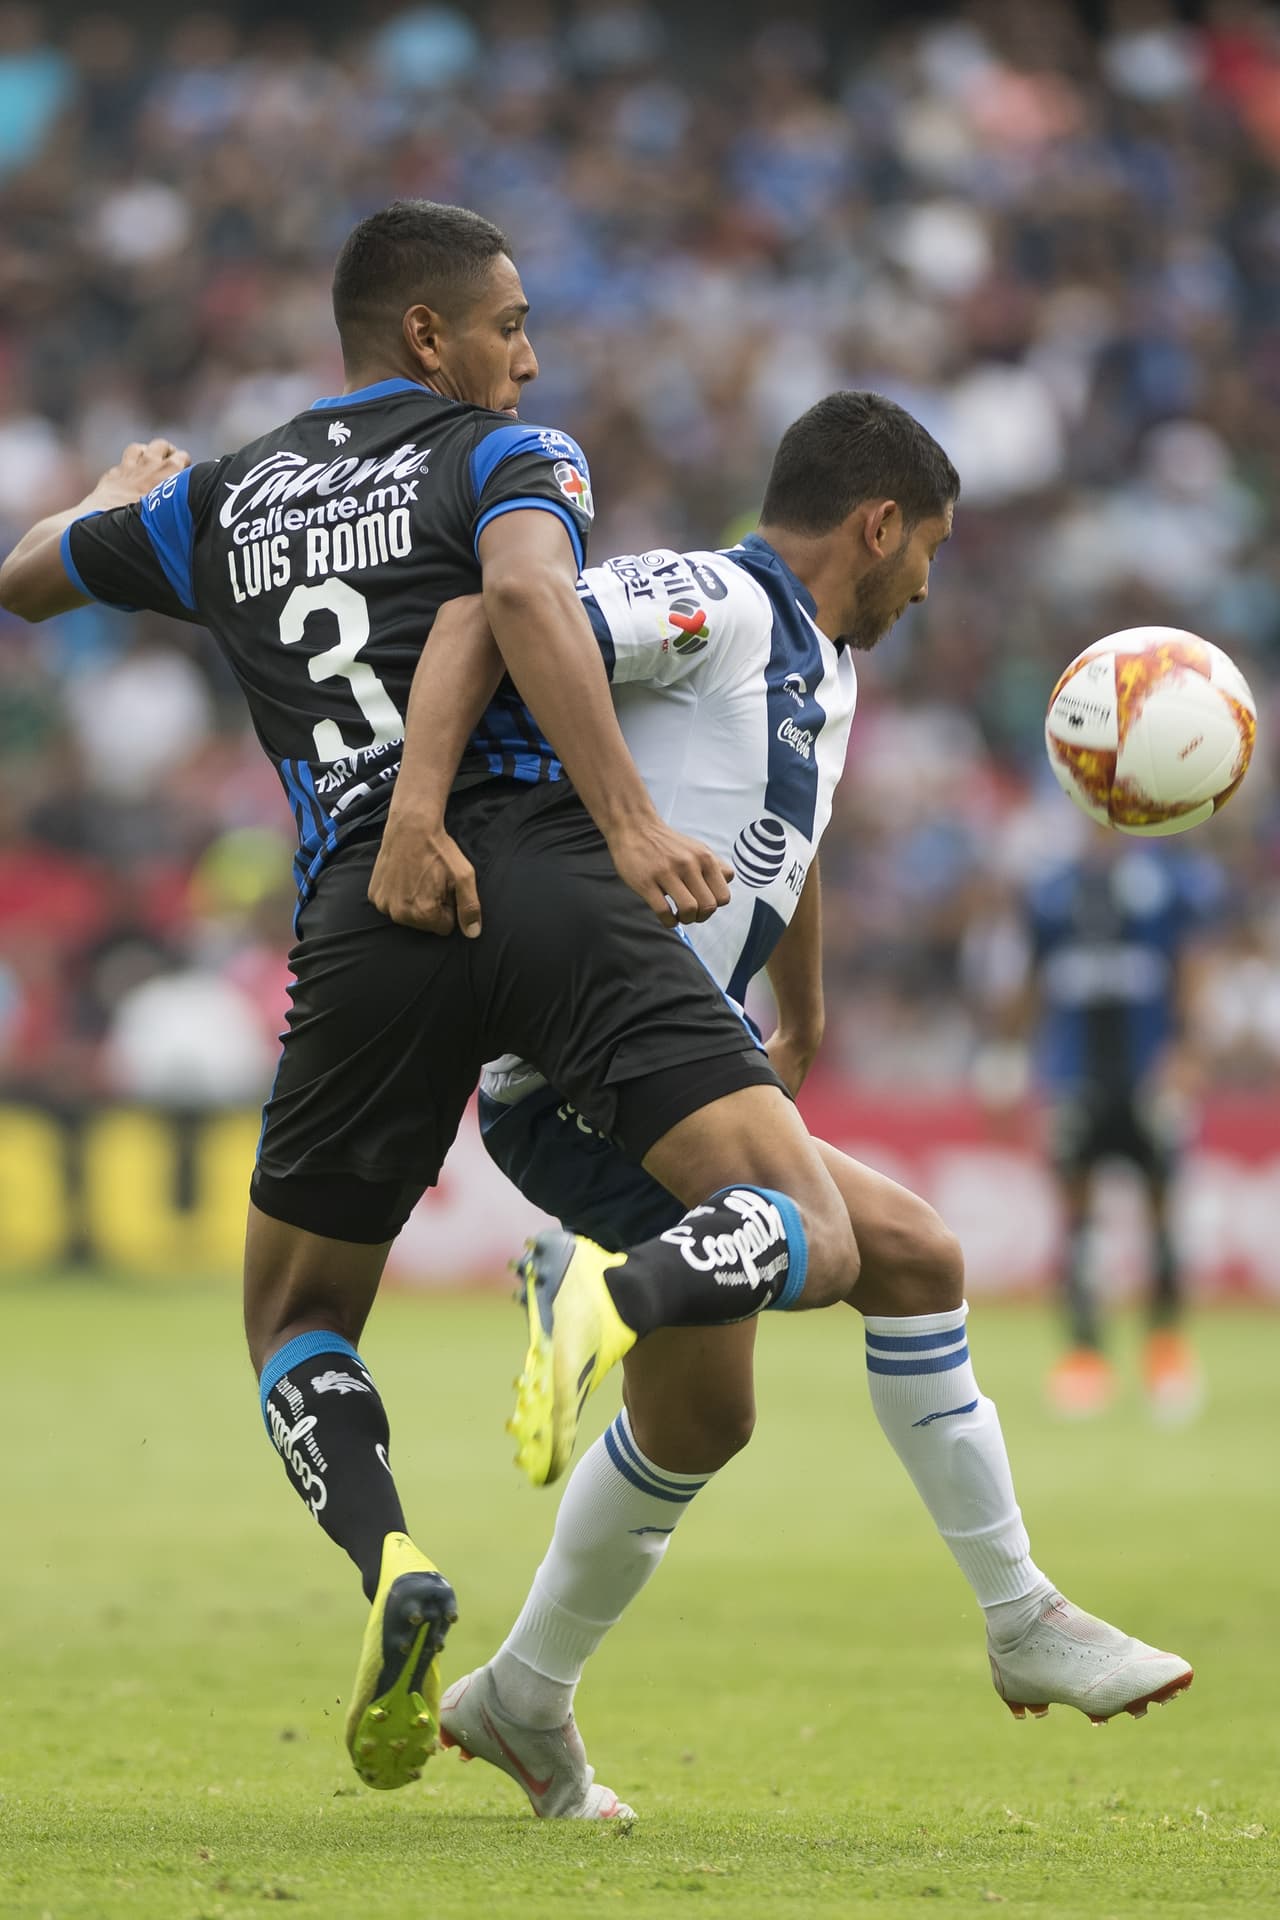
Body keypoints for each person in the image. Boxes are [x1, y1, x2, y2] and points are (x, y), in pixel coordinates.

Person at [0, 201, 937, 1800]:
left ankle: (388, 1569)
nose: (532, 350)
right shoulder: (515, 458)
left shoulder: (220, 500)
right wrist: (632, 823)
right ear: (428, 337)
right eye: (508, 321)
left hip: (363, 919)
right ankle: (620, 1284)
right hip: (550, 889)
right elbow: (515, 601)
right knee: (810, 1225)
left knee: (295, 1316)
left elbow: (22, 584)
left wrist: (106, 495)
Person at [370, 403, 1195, 1820]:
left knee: (707, 1418)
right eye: (925, 549)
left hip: (679, 1053)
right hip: (587, 1052)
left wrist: (801, 1002)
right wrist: (420, 812)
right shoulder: (722, 599)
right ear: (877, 524)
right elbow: (489, 615)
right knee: (909, 1257)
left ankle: (520, 1696)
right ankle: (1017, 1611)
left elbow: (784, 837)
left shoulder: (830, 665)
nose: (929, 584)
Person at [1004, 828, 1223, 1420]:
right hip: (1074, 1080)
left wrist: (1187, 1055)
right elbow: (1031, 980)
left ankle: (1165, 1353)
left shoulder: (1168, 884)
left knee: (1161, 1215)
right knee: (1077, 1222)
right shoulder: (1051, 890)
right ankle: (1085, 1359)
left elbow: (1192, 965)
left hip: (1148, 1077)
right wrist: (1013, 1060)